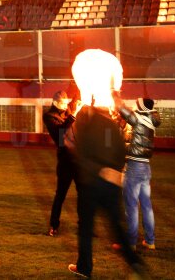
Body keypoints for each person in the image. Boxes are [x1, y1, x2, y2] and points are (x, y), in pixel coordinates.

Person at [67, 103, 146, 278]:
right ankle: (134, 262)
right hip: (111, 183)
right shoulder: (111, 126)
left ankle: (84, 268)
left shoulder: (86, 126)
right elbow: (120, 152)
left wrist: (96, 170)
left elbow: (82, 154)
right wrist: (115, 171)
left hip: (91, 184)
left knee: (86, 228)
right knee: (117, 226)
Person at [114, 95, 161, 251]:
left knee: (131, 206)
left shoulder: (141, 119)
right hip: (146, 167)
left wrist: (114, 95)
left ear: (142, 107)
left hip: (134, 166)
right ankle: (150, 241)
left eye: (137, 105)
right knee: (147, 206)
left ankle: (131, 243)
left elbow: (122, 110)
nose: (135, 106)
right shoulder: (150, 119)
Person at [42, 91, 82, 236]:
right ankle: (54, 225)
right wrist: (74, 114)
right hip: (65, 161)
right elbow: (60, 134)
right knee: (60, 195)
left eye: (67, 103)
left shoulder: (67, 111)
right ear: (55, 103)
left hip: (78, 159)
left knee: (82, 194)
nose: (66, 106)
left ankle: (83, 225)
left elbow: (76, 96)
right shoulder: (49, 116)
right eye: (63, 104)